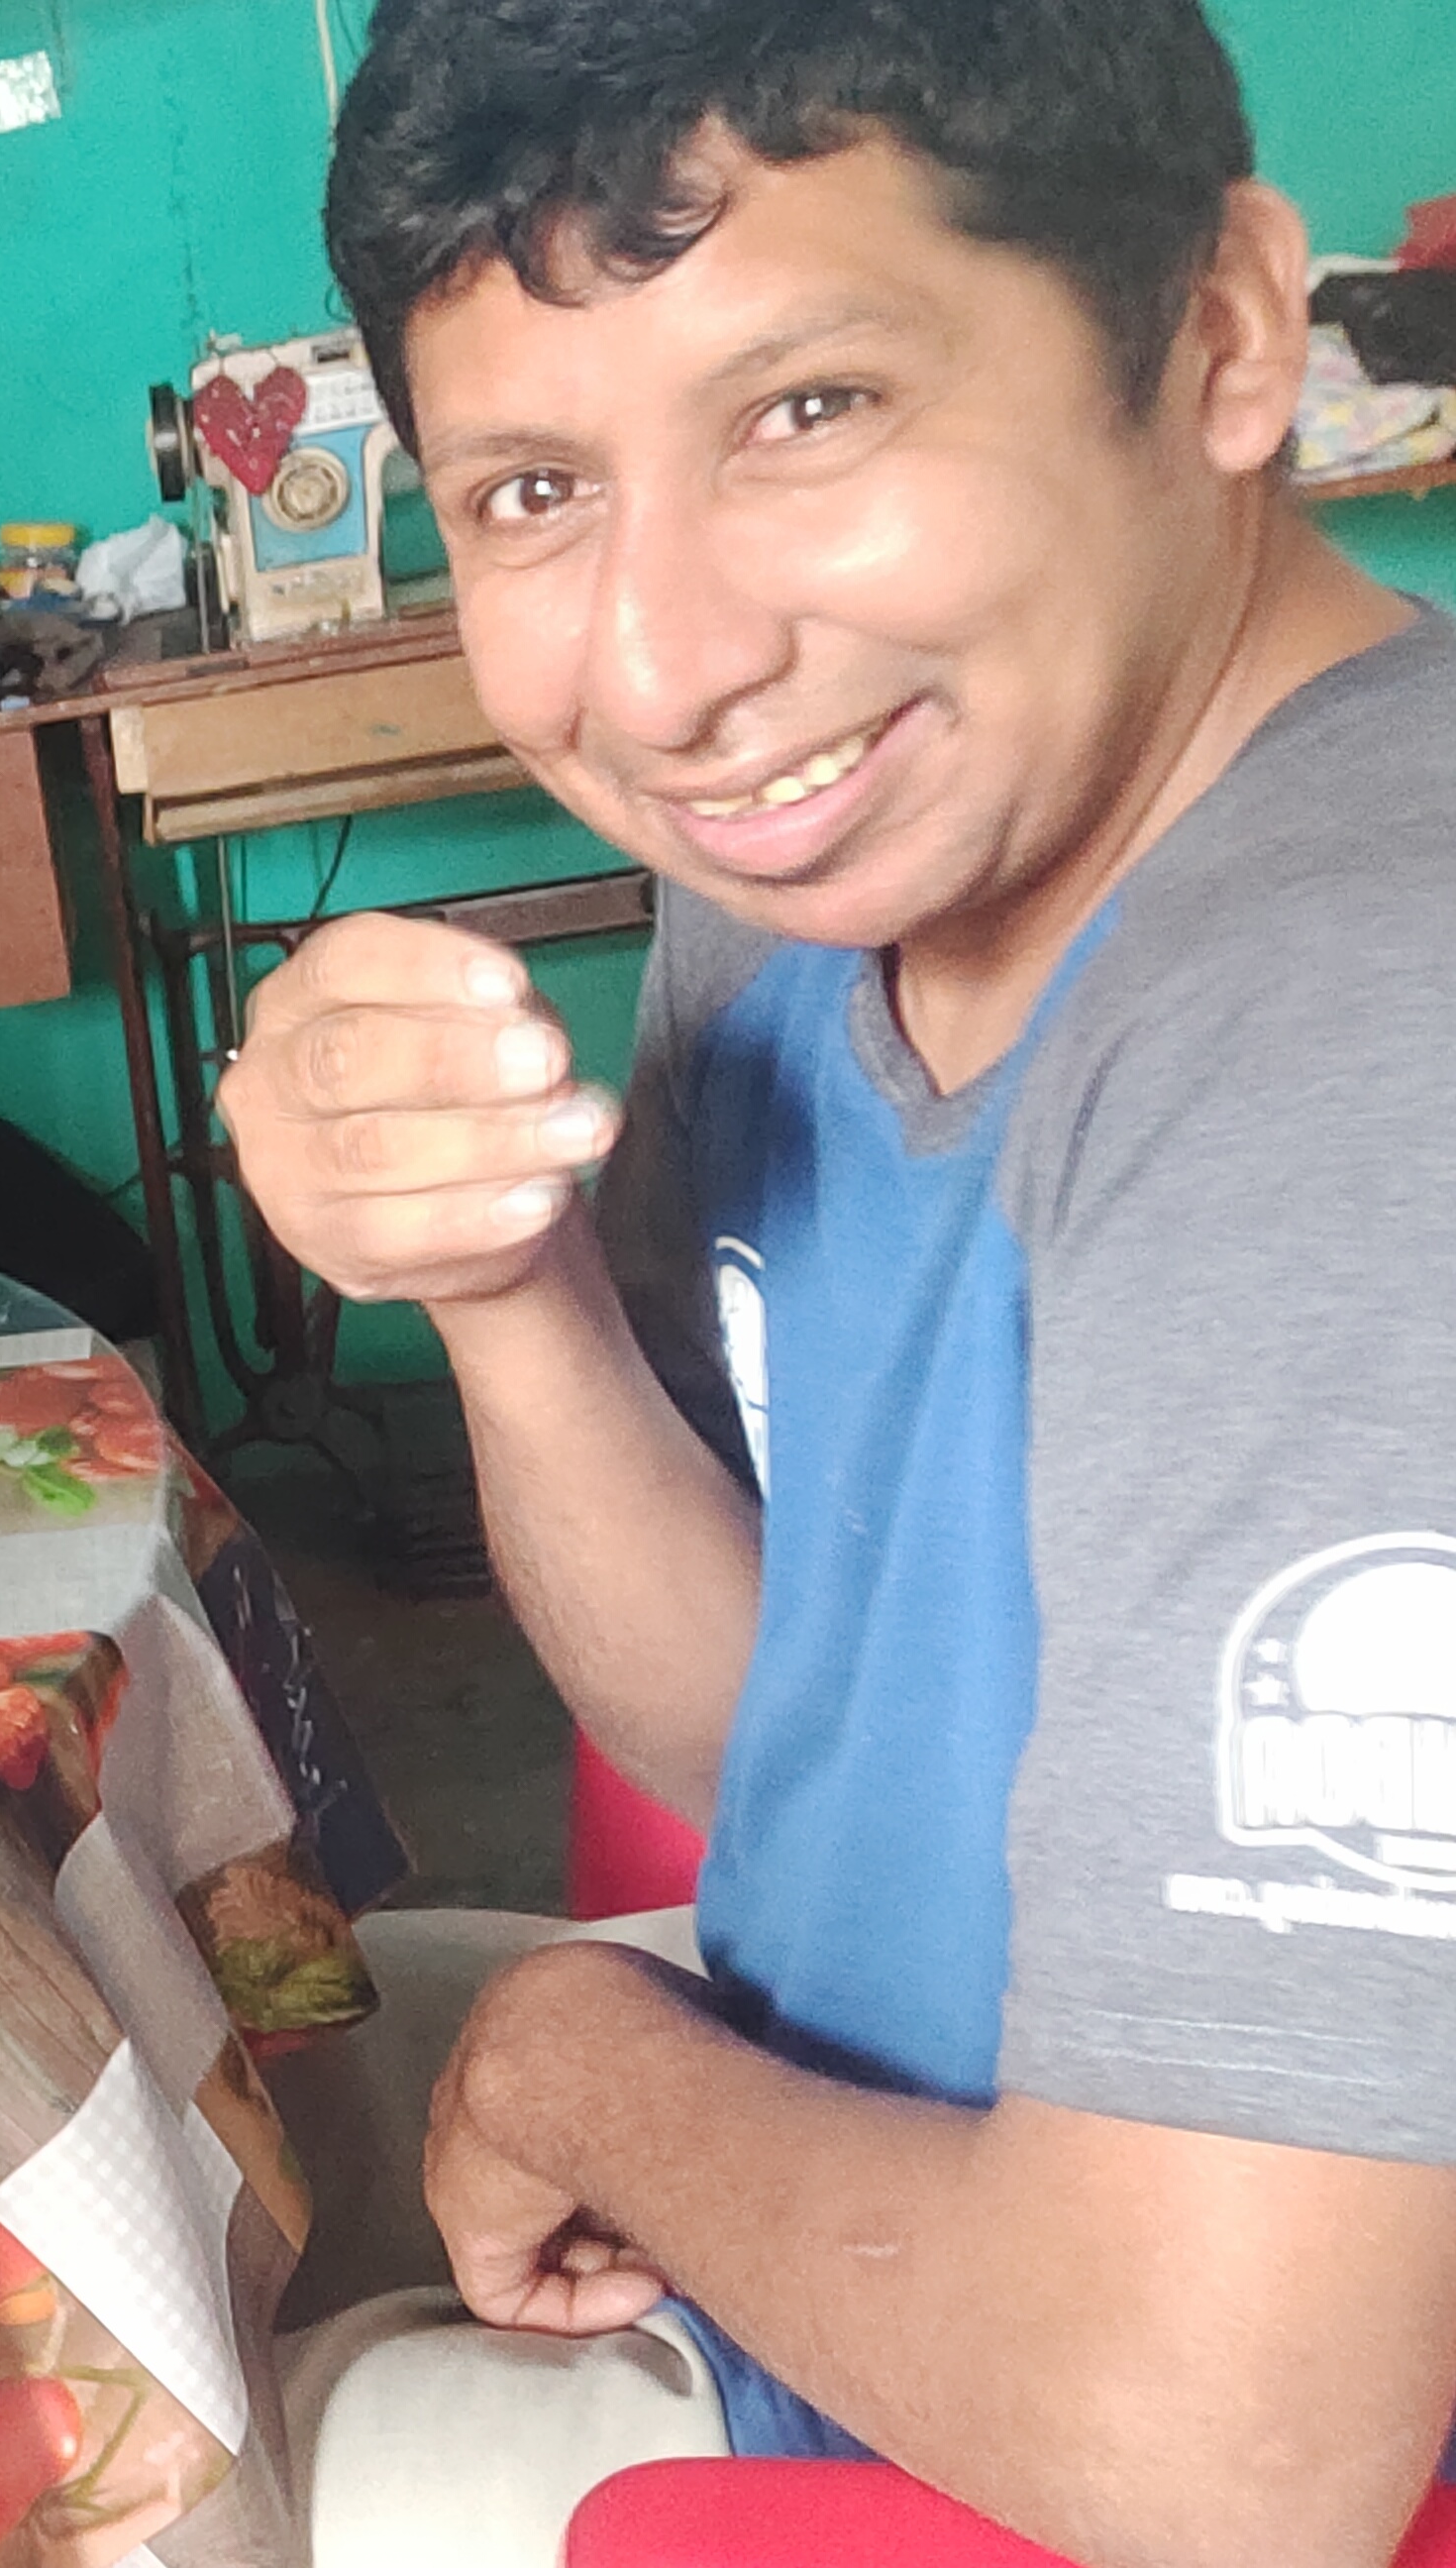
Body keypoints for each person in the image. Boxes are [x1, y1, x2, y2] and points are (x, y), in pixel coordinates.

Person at [224, 0, 1456, 2561]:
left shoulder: (1356, 1030)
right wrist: (501, 1286)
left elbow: (1229, 2445)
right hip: (870, 2229)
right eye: (535, 489)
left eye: (809, 411)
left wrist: (580, 2065)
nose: (666, 668)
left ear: (1224, 334)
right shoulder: (817, 871)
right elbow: (766, 1718)